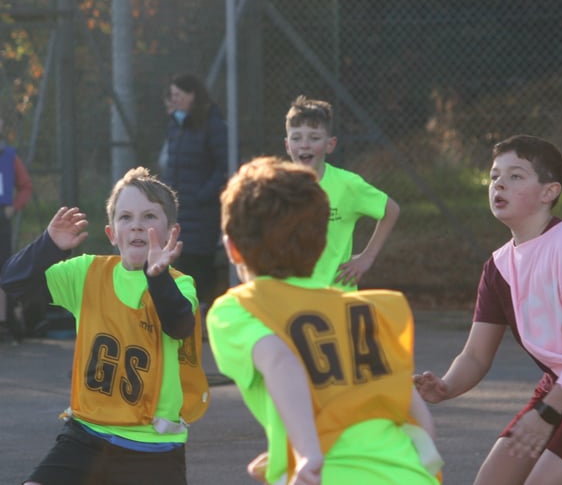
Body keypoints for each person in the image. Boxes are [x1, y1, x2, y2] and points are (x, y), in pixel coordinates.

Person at [414, 134, 562, 485]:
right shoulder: (498, 267)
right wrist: (447, 386)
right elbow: (475, 355)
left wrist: (548, 413)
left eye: (515, 175)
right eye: (494, 176)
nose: (499, 183)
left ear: (549, 192)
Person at [207, 156, 443, 485]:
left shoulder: (239, 309)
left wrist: (307, 452)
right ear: (321, 246)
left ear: (233, 250)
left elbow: (280, 360)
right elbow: (418, 419)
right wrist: (284, 453)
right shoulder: (366, 314)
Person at [0, 167, 210, 485]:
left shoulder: (180, 286)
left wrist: (158, 277)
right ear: (112, 233)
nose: (137, 225)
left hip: (152, 445)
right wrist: (49, 245)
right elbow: (13, 282)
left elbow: (178, 324)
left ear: (171, 233)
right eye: (126, 217)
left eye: (150, 217)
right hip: (86, 434)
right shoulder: (87, 274)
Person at [284, 95, 400, 291]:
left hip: (338, 298)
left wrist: (366, 258)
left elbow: (391, 210)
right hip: (292, 298)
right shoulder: (277, 187)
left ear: (330, 144)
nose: (305, 145)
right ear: (287, 145)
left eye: (314, 138)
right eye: (297, 138)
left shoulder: (348, 185)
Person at [161, 73, 228, 311]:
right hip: (180, 209)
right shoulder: (177, 125)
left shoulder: (212, 124)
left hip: (202, 211)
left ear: (193, 95)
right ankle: (187, 314)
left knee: (200, 262)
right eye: (172, 95)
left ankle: (204, 316)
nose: (175, 100)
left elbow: (225, 166)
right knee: (182, 261)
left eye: (178, 95)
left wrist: (202, 196)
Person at [0, 113, 33, 342]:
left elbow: (25, 186)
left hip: (2, 217)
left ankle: (4, 322)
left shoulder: (9, 156)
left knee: (3, 269)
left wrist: (14, 207)